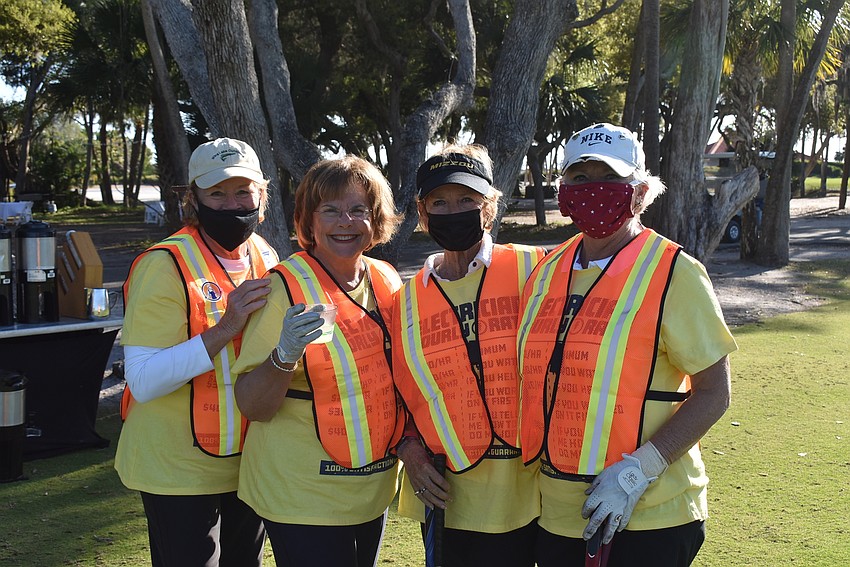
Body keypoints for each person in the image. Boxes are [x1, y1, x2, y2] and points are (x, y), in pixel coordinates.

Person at [518, 123, 738, 567]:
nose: (593, 189)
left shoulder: (676, 271)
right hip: (557, 515)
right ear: (563, 191)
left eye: (609, 178)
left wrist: (640, 469)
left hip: (650, 514)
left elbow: (715, 393)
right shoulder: (545, 271)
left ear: (639, 192)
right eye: (580, 179)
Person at [115, 137, 280, 566]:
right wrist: (226, 326)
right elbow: (143, 381)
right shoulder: (164, 264)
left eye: (244, 191)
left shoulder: (265, 255)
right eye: (217, 193)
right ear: (194, 199)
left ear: (263, 196)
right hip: (177, 471)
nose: (232, 204)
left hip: (248, 462)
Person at [232, 156, 403, 566]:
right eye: (330, 210)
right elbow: (253, 405)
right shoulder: (282, 288)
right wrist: (283, 356)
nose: (345, 221)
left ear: (375, 219)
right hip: (302, 495)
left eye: (358, 209)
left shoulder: (386, 279)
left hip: (371, 488)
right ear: (309, 221)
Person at [391, 145, 547, 567]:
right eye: (439, 202)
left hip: (537, 496)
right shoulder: (402, 301)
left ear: (489, 207)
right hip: (448, 496)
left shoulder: (538, 268)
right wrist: (408, 450)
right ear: (422, 213)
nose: (452, 211)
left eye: (466, 200)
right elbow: (394, 394)